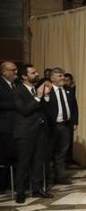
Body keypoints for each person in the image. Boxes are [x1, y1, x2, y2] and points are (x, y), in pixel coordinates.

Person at [13, 65, 54, 203]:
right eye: (33, 72)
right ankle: (20, 192)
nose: (37, 74)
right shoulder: (17, 90)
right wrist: (37, 97)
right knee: (24, 162)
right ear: (24, 76)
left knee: (38, 162)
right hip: (25, 132)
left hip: (40, 131)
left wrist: (46, 96)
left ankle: (37, 189)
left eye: (36, 72)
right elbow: (24, 110)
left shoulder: (38, 89)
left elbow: (45, 110)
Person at [46, 67, 79, 185]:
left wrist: (74, 122)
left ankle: (59, 177)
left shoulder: (69, 90)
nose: (63, 78)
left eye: (63, 75)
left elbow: (74, 107)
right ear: (52, 78)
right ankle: (46, 177)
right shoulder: (47, 91)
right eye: (59, 76)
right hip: (52, 126)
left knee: (62, 152)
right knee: (48, 152)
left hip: (66, 126)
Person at [0, 61, 18, 192]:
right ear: (4, 72)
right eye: (12, 70)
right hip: (4, 127)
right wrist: (18, 104)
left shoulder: (16, 85)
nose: (15, 72)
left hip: (17, 127)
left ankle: (16, 183)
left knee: (16, 155)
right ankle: (2, 184)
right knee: (3, 157)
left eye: (16, 69)